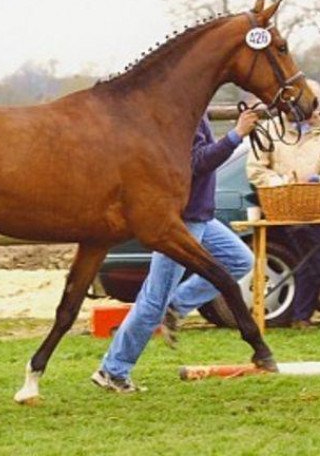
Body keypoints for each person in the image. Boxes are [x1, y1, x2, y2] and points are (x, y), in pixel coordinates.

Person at [92, 109, 259, 392]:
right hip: (182, 220)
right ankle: (112, 370)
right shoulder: (186, 115)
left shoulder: (198, 110)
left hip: (201, 217)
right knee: (154, 299)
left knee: (239, 259)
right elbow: (196, 162)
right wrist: (236, 135)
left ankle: (177, 305)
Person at [246, 80, 320, 329]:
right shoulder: (269, 130)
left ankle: (303, 315)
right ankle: (301, 315)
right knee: (310, 252)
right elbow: (256, 170)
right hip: (283, 209)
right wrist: (280, 182)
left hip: (314, 206)